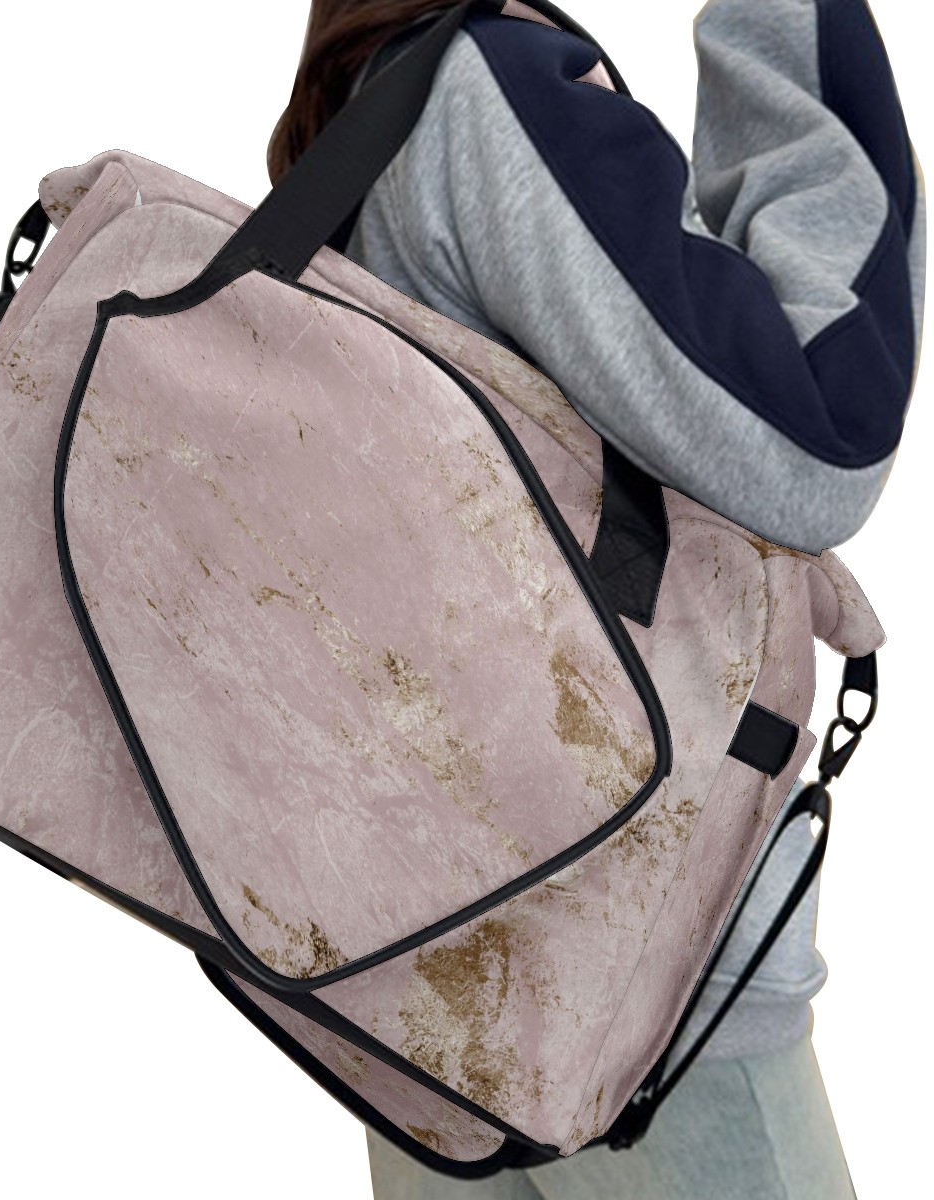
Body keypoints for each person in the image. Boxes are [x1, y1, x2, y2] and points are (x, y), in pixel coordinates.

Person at [265, 2, 925, 1197]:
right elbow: (820, 431)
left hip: (416, 979)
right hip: (637, 996)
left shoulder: (359, 129)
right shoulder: (491, 91)